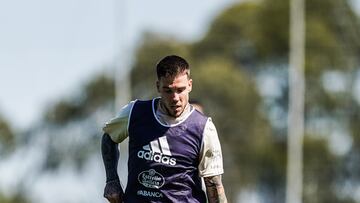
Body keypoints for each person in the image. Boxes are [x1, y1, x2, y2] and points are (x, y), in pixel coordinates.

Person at [101, 55, 228, 203]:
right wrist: (112, 180)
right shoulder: (135, 112)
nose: (175, 97)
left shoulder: (204, 128)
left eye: (180, 90)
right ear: (158, 87)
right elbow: (109, 137)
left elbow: (214, 186)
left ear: (190, 85)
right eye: (168, 91)